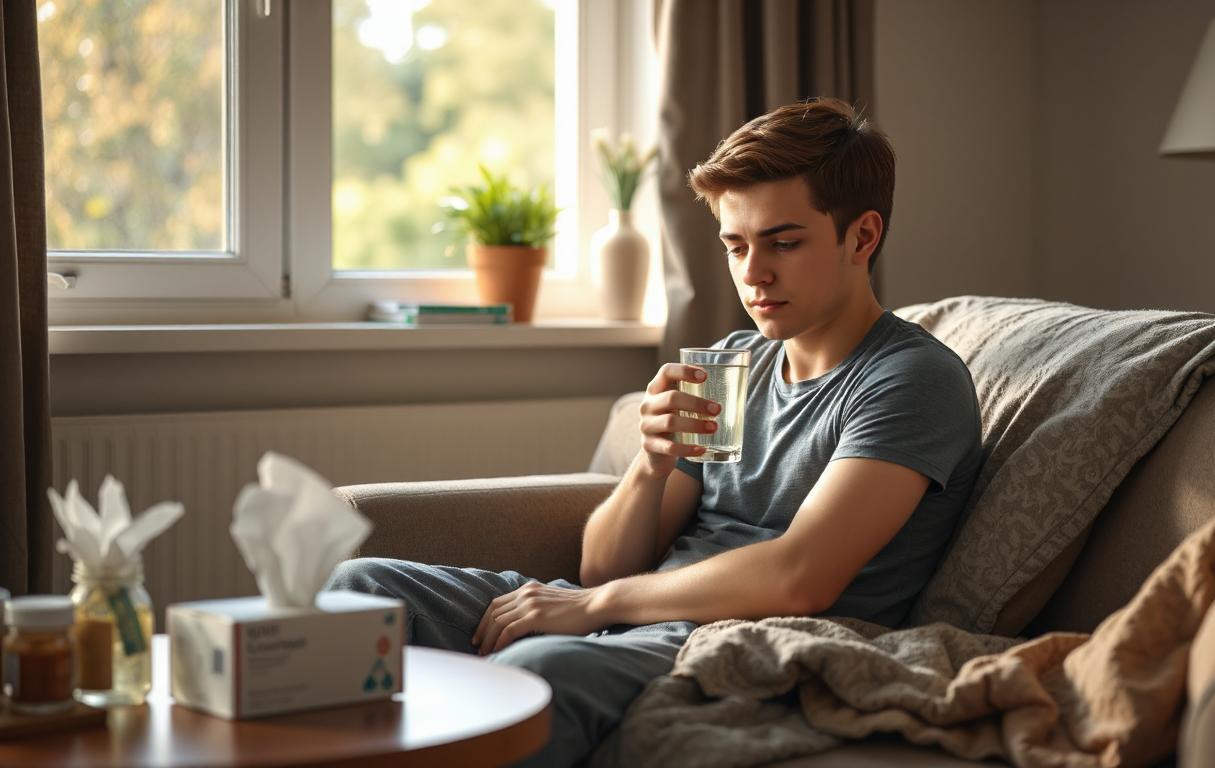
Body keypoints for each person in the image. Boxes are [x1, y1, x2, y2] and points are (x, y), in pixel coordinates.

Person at [328, 97, 982, 767]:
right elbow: (601, 567)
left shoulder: (910, 380)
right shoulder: (731, 364)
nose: (753, 273)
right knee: (361, 590)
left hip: (751, 639)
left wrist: (595, 607)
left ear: (862, 237)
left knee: (535, 669)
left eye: (784, 243)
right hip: (645, 611)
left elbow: (800, 578)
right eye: (735, 244)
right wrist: (650, 467)